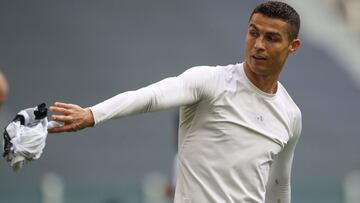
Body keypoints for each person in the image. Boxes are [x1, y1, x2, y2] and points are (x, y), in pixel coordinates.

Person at [49, 1, 302, 202]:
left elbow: (279, 185)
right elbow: (150, 96)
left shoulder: (290, 115)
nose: (258, 45)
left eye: (271, 38)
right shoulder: (210, 81)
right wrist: (92, 114)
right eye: (253, 33)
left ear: (293, 46)